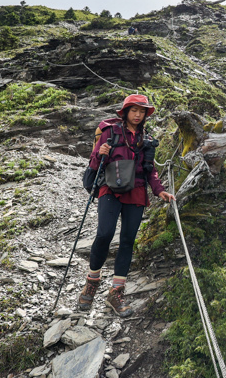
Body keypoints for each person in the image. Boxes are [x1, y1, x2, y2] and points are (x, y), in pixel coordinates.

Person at [78, 93, 175, 315]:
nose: (138, 115)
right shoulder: (109, 133)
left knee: (128, 241)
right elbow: (94, 162)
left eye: (142, 111)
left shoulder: (147, 139)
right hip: (110, 189)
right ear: (125, 112)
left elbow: (150, 169)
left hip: (137, 192)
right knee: (104, 234)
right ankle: (92, 282)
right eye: (134, 110)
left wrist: (159, 191)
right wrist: (101, 153)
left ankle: (116, 291)